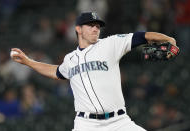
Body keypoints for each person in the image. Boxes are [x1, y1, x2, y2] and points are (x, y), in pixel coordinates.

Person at [11, 12, 177, 131]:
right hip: (86, 124)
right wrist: (29, 62)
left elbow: (143, 36)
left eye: (97, 26)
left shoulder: (110, 44)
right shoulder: (70, 58)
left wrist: (168, 39)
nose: (95, 28)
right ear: (78, 29)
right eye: (90, 25)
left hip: (119, 122)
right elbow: (57, 72)